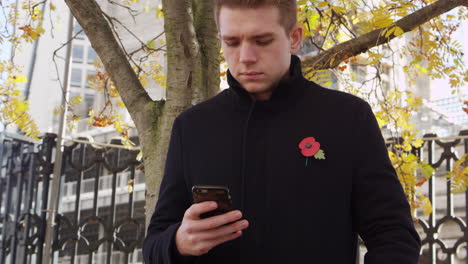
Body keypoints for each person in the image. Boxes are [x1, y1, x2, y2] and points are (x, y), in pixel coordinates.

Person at [143, 0, 421, 263]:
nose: (246, 57)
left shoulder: (348, 118)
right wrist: (178, 242)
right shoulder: (192, 127)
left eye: (262, 41)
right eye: (231, 42)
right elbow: (153, 244)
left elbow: (393, 234)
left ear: (294, 37)